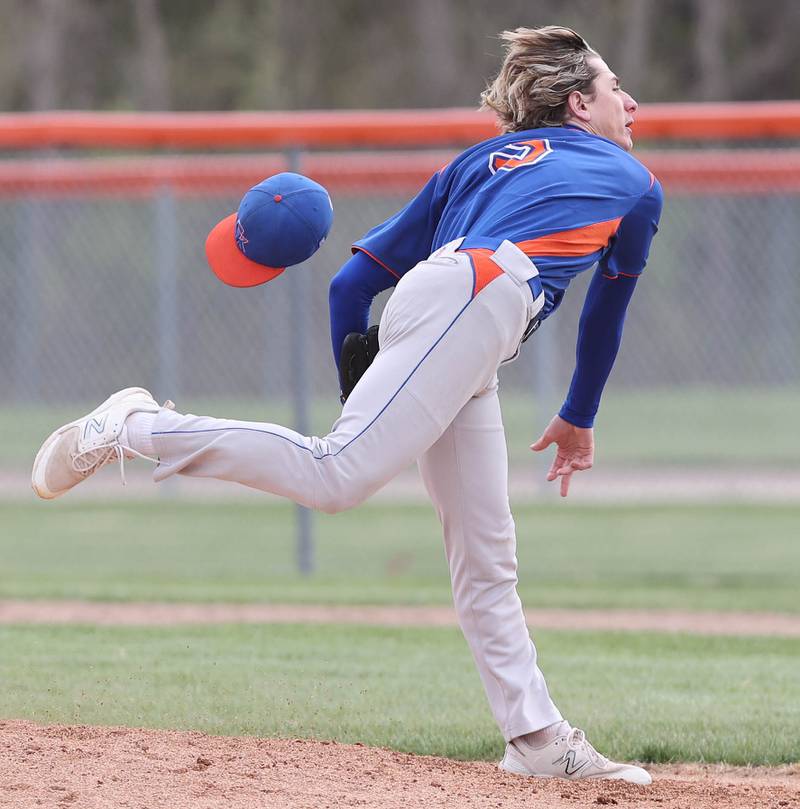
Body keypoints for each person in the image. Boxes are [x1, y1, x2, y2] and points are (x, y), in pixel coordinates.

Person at [32, 26, 661, 784]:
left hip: (458, 308)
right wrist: (579, 413)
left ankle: (535, 739)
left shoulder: (476, 164)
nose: (630, 101)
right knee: (338, 476)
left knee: (486, 554)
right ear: (577, 105)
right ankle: (135, 425)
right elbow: (606, 314)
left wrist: (357, 389)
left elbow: (349, 289)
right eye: (613, 86)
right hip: (480, 296)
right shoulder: (636, 183)